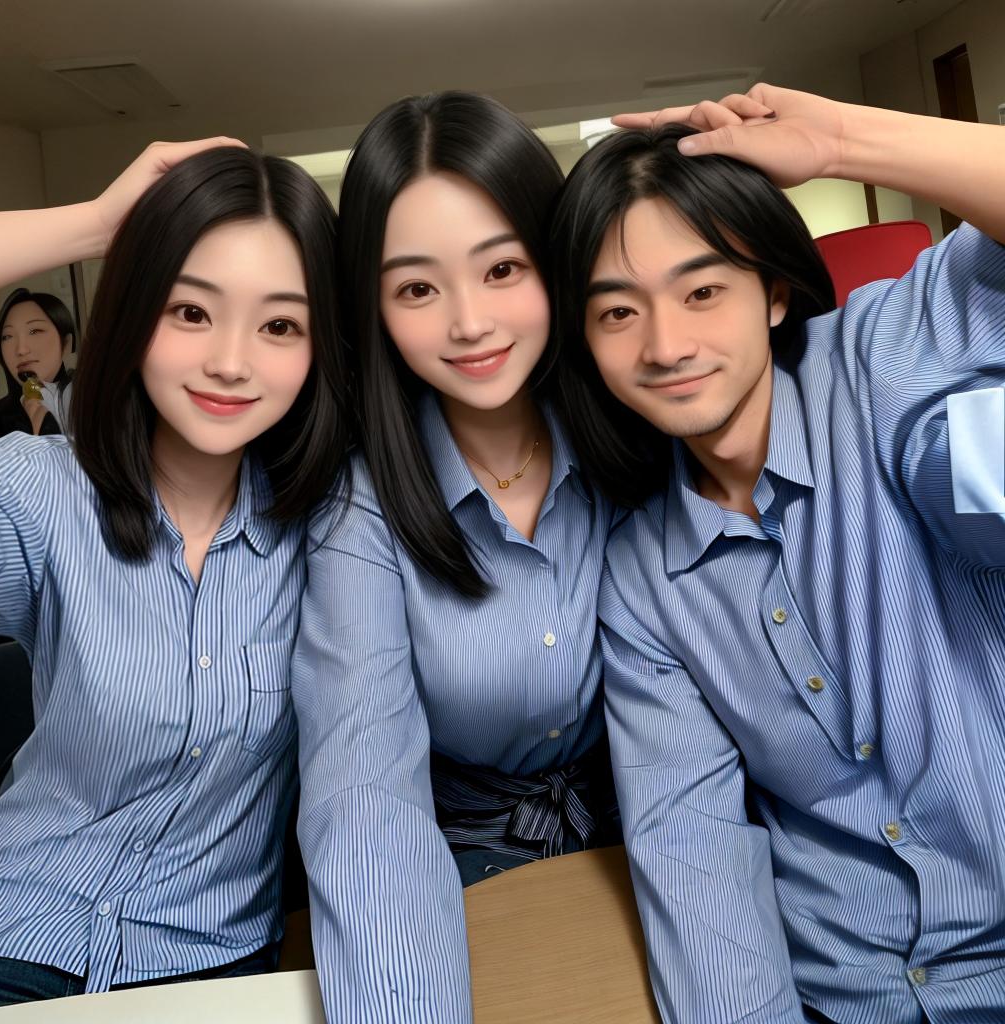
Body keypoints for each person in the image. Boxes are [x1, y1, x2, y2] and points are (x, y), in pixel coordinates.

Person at [550, 83, 1005, 1023]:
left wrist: (842, 138)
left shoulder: (880, 355)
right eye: (617, 313)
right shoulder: (640, 581)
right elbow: (696, 858)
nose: (666, 344)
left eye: (703, 289)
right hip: (845, 996)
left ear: (774, 293)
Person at [0, 140, 350, 1006]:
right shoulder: (38, 492)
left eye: (280, 325)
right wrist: (96, 225)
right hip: (11, 939)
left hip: (208, 970)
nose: (231, 361)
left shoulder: (338, 527)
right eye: (190, 312)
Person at [292, 91, 619, 1022]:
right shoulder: (360, 510)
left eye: (503, 267)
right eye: (417, 288)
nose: (469, 322)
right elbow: (365, 792)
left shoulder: (635, 447)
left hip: (659, 840)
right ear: (376, 308)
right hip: (461, 869)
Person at [0, 288, 75, 447]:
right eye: (7, 336)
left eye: (35, 331)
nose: (21, 350)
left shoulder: (93, 399)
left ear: (66, 344)